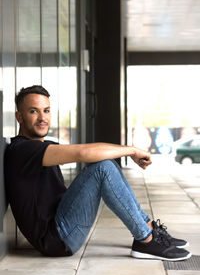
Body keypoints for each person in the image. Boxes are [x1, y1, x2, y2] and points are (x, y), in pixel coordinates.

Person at [4, 85, 191, 261]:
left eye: (46, 110)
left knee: (103, 164)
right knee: (103, 168)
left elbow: (90, 153)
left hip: (61, 226)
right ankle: (146, 240)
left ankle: (149, 229)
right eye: (33, 111)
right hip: (56, 239)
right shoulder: (22, 150)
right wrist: (132, 150)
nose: (42, 117)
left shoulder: (42, 147)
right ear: (19, 117)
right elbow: (83, 153)